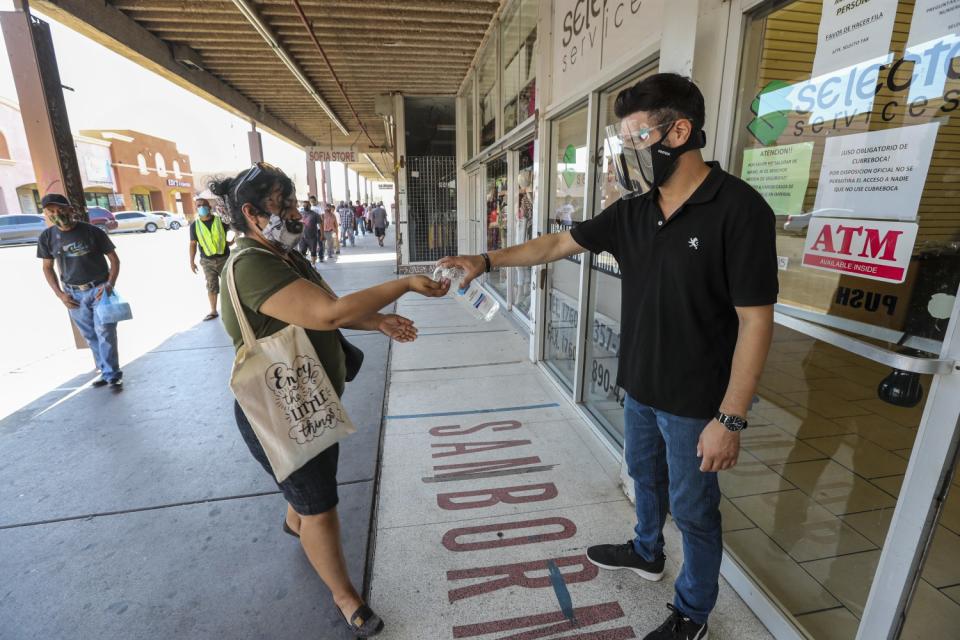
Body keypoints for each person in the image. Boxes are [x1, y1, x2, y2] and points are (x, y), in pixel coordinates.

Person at [439, 73, 778, 640]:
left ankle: (692, 613)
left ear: (680, 132)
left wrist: (730, 418)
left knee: (695, 512)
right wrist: (485, 259)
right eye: (624, 141)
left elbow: (755, 320)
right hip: (640, 384)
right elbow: (555, 244)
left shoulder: (739, 210)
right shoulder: (633, 212)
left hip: (698, 401)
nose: (629, 153)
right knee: (644, 475)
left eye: (638, 138)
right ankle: (647, 550)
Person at [210, 162, 447, 638]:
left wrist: (376, 320)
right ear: (253, 213)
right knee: (322, 505)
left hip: (309, 400)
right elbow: (328, 312)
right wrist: (402, 283)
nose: (298, 214)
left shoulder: (282, 257)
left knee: (309, 488)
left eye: (296, 203)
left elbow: (332, 314)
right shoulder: (253, 265)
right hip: (281, 412)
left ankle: (295, 516)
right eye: (286, 205)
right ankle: (347, 598)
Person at [37, 193, 124, 388]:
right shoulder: (47, 237)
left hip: (99, 289)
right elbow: (47, 267)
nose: (56, 214)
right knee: (90, 335)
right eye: (51, 211)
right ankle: (105, 369)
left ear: (70, 209)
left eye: (60, 209)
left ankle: (112, 374)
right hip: (73, 294)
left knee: (106, 333)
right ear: (46, 213)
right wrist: (60, 295)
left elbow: (114, 260)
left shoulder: (92, 232)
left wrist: (109, 285)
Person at [189, 197, 233, 321]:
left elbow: (230, 231)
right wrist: (191, 262)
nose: (201, 207)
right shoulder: (194, 226)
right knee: (211, 286)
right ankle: (213, 311)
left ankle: (235, 308)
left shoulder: (220, 221)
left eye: (203, 205)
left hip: (224, 258)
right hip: (207, 261)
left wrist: (231, 242)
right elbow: (193, 244)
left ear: (209, 207)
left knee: (230, 284)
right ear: (196, 209)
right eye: (198, 205)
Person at [297, 199, 322, 265]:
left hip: (312, 237)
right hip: (302, 237)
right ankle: (304, 265)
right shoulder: (300, 214)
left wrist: (322, 235)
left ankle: (313, 265)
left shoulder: (315, 214)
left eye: (307, 205)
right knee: (302, 251)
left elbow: (320, 224)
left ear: (310, 206)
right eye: (304, 205)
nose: (305, 207)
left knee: (313, 252)